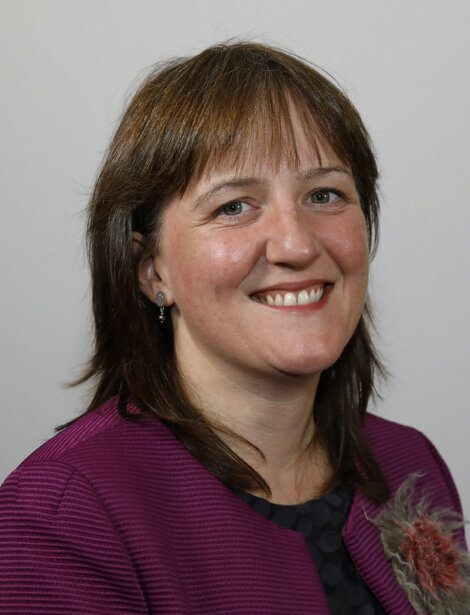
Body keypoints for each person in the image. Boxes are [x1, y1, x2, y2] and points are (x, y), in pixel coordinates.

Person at [0, 41, 468, 615]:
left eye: (324, 195)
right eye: (234, 207)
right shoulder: (65, 514)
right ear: (152, 271)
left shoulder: (407, 461)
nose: (297, 244)